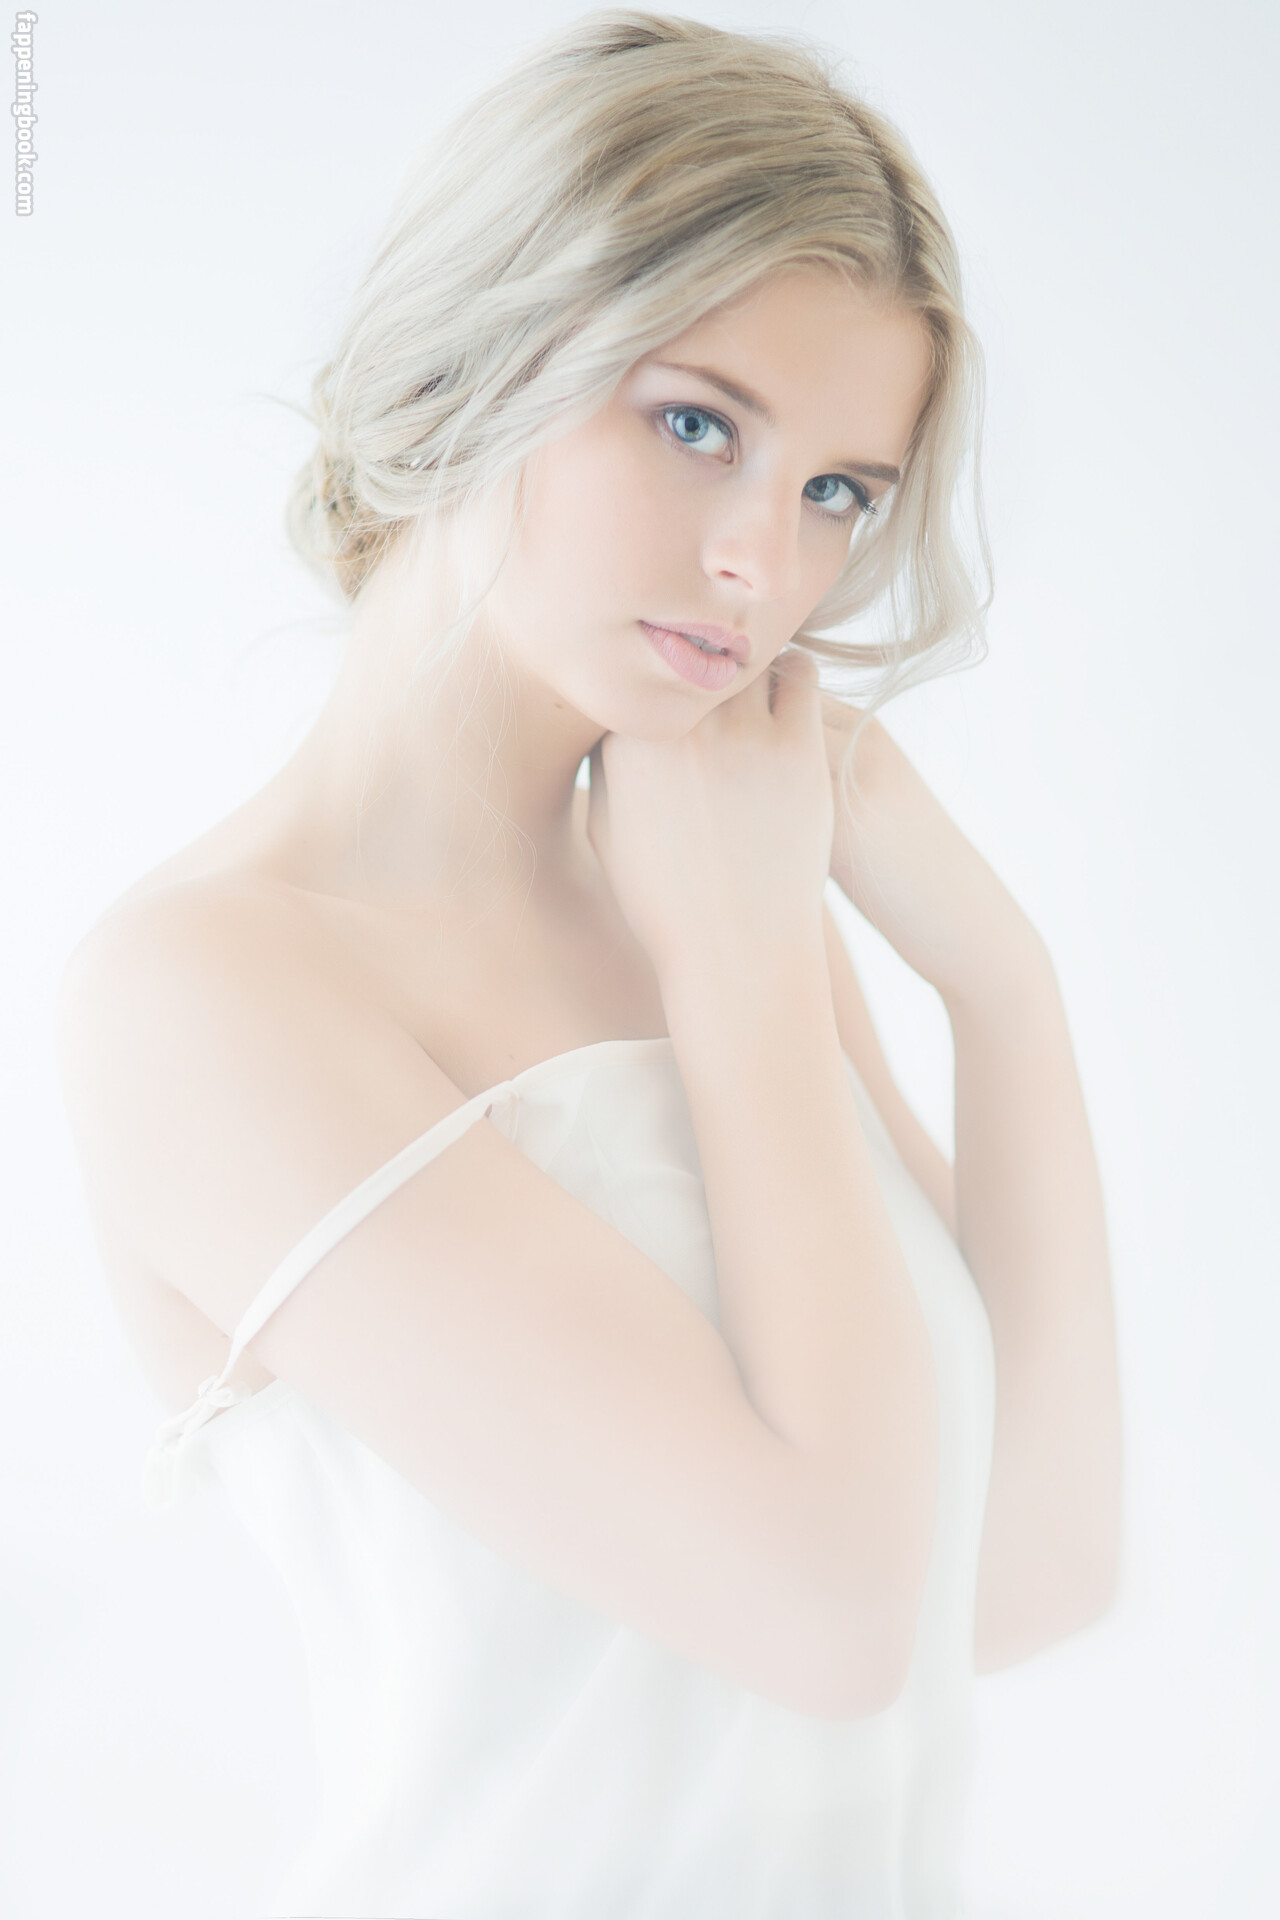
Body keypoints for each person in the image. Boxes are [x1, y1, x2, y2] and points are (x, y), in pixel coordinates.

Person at [54, 11, 1123, 1917]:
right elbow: (828, 1625)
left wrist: (1001, 981)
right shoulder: (204, 992)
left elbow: (1023, 1577)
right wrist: (744, 979)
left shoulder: (719, 903)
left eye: (840, 491)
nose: (763, 565)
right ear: (471, 360)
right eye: (697, 424)